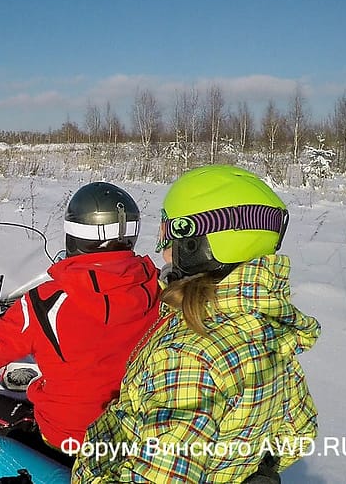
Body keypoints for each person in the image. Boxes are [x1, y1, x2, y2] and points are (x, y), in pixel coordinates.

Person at [69, 164, 320, 483]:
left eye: (168, 237)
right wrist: (257, 471)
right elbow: (299, 428)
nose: (163, 256)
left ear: (195, 243)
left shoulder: (189, 356)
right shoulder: (265, 324)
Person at [0, 182, 161, 483]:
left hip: (64, 439)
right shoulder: (158, 291)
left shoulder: (48, 302)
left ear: (74, 234)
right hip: (123, 442)